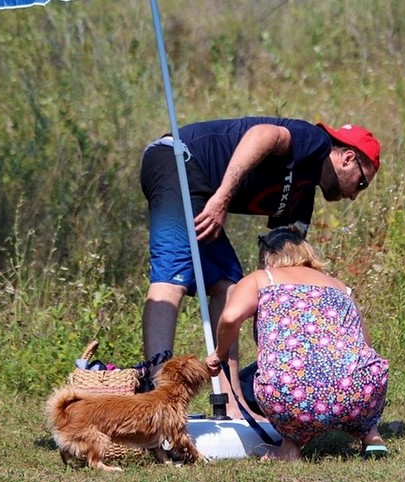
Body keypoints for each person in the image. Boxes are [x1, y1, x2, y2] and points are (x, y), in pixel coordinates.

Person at [140, 117, 380, 419]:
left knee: (228, 285)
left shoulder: (301, 200)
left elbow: (284, 272)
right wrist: (222, 198)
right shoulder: (314, 143)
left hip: (199, 187)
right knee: (172, 276)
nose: (354, 195)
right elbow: (261, 134)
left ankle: (231, 404)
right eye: (361, 183)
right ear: (348, 158)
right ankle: (155, 402)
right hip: (177, 160)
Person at [205, 223, 389, 461]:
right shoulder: (339, 286)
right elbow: (364, 345)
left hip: (292, 391)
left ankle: (290, 446)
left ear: (267, 258)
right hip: (358, 390)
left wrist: (220, 354)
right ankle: (371, 437)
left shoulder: (263, 278)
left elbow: (230, 317)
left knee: (285, 373)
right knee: (363, 367)